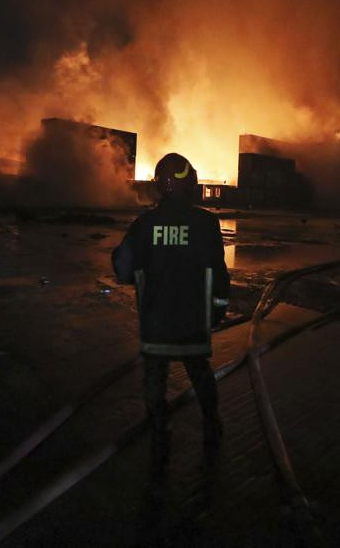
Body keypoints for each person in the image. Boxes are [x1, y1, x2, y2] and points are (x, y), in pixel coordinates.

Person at [112, 153, 230, 481]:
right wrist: (218, 309)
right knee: (201, 375)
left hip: (156, 325)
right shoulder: (207, 224)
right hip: (193, 322)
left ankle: (160, 436)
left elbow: (122, 269)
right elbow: (219, 275)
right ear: (190, 183)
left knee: (154, 383)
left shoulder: (144, 225)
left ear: (159, 187)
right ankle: (212, 425)